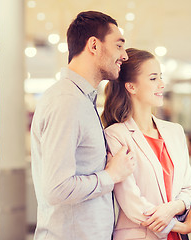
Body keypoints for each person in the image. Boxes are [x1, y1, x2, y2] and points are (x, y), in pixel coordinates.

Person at [30, 11, 136, 240]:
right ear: (94, 45)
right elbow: (57, 189)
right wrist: (111, 175)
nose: (124, 55)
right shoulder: (66, 102)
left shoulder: (80, 99)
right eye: (118, 46)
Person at [101, 48, 191, 240]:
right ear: (131, 87)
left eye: (161, 77)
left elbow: (189, 189)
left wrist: (173, 208)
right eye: (153, 78)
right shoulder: (116, 135)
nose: (162, 84)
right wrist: (181, 226)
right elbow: (132, 203)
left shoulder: (175, 131)